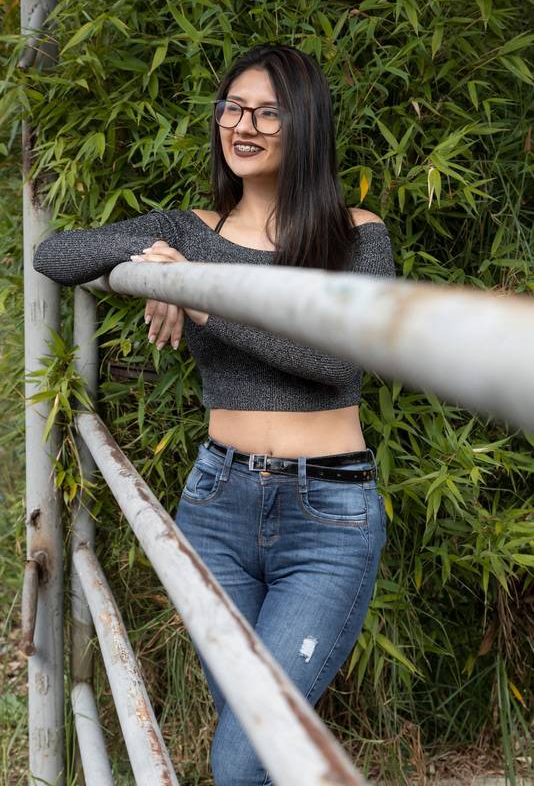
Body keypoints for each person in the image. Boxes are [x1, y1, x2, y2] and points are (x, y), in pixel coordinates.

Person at [34, 42, 395, 786]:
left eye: (268, 112)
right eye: (233, 107)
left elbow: (336, 363)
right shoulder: (193, 230)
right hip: (216, 511)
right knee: (258, 742)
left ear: (308, 126)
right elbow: (57, 255)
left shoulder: (356, 233)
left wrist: (201, 295)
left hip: (326, 517)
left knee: (241, 759)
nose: (244, 125)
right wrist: (157, 260)